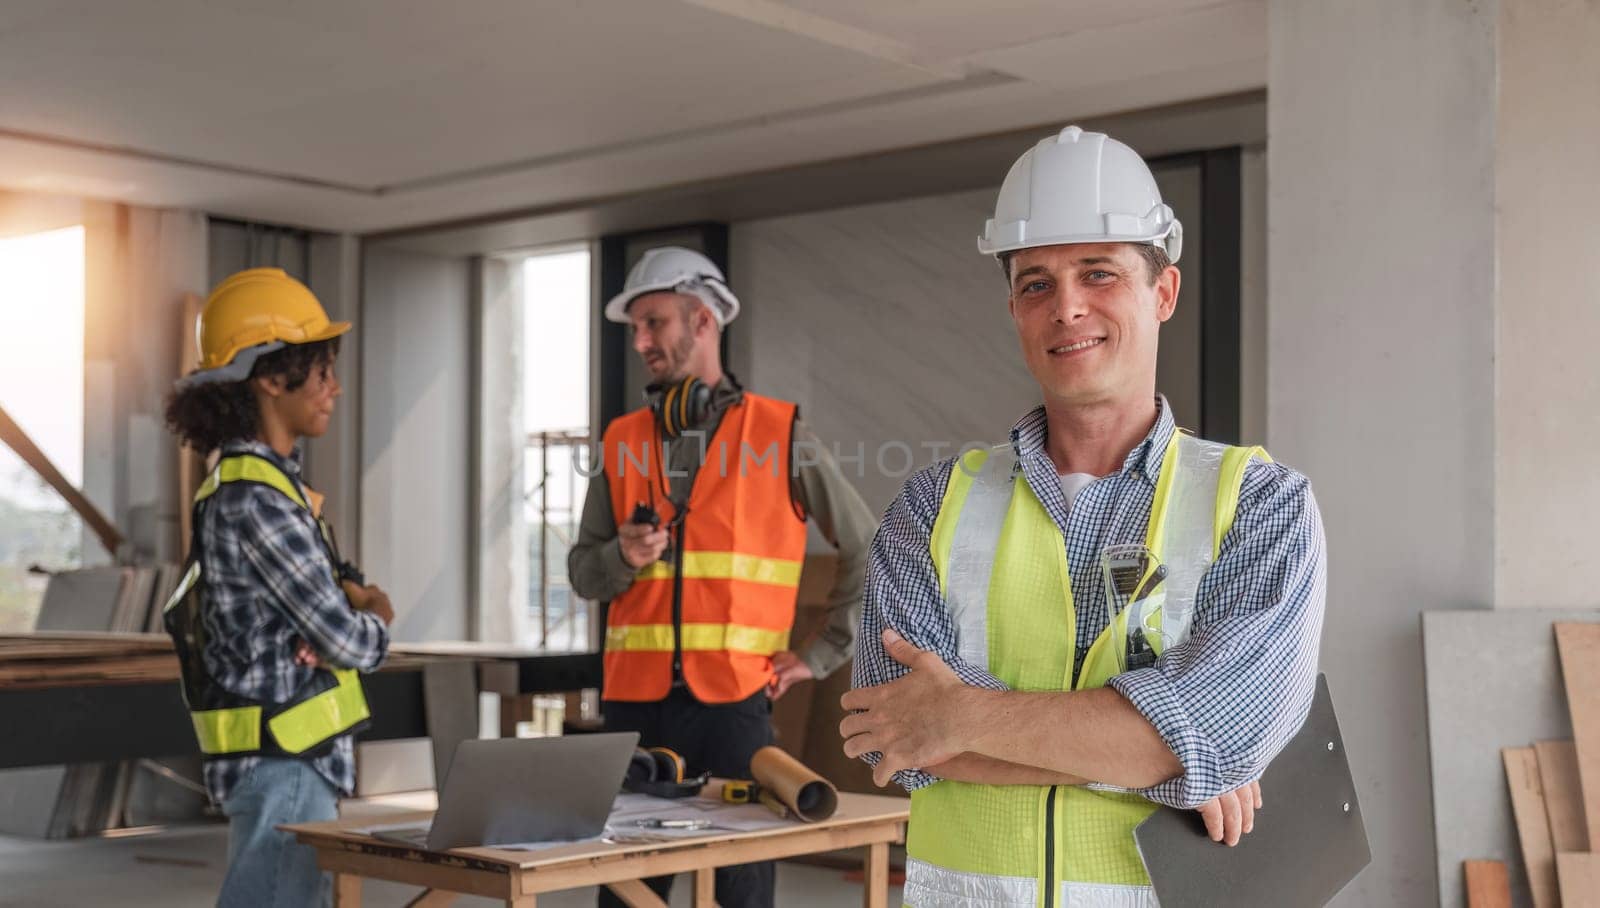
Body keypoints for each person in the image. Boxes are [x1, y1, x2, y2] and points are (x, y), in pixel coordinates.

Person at [840, 126, 1327, 907]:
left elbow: (1224, 731)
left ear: (1162, 293)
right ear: (1013, 307)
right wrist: (1170, 761)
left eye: (1098, 274)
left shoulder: (1260, 505)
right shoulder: (930, 508)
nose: (1067, 308)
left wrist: (960, 716)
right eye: (1036, 283)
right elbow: (894, 736)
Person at [569, 247, 876, 908]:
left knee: (741, 890)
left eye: (655, 323)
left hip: (735, 707)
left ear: (702, 320)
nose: (643, 341)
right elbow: (583, 574)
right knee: (625, 893)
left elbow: (868, 547)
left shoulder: (781, 433)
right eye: (636, 329)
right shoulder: (621, 441)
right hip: (633, 710)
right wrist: (622, 558)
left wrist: (823, 654)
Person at [162, 267, 394, 907]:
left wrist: (330, 629)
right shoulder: (257, 500)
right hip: (285, 760)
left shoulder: (266, 489)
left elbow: (320, 628)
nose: (334, 389)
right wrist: (374, 617)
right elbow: (348, 637)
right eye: (320, 372)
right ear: (270, 377)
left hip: (290, 757)